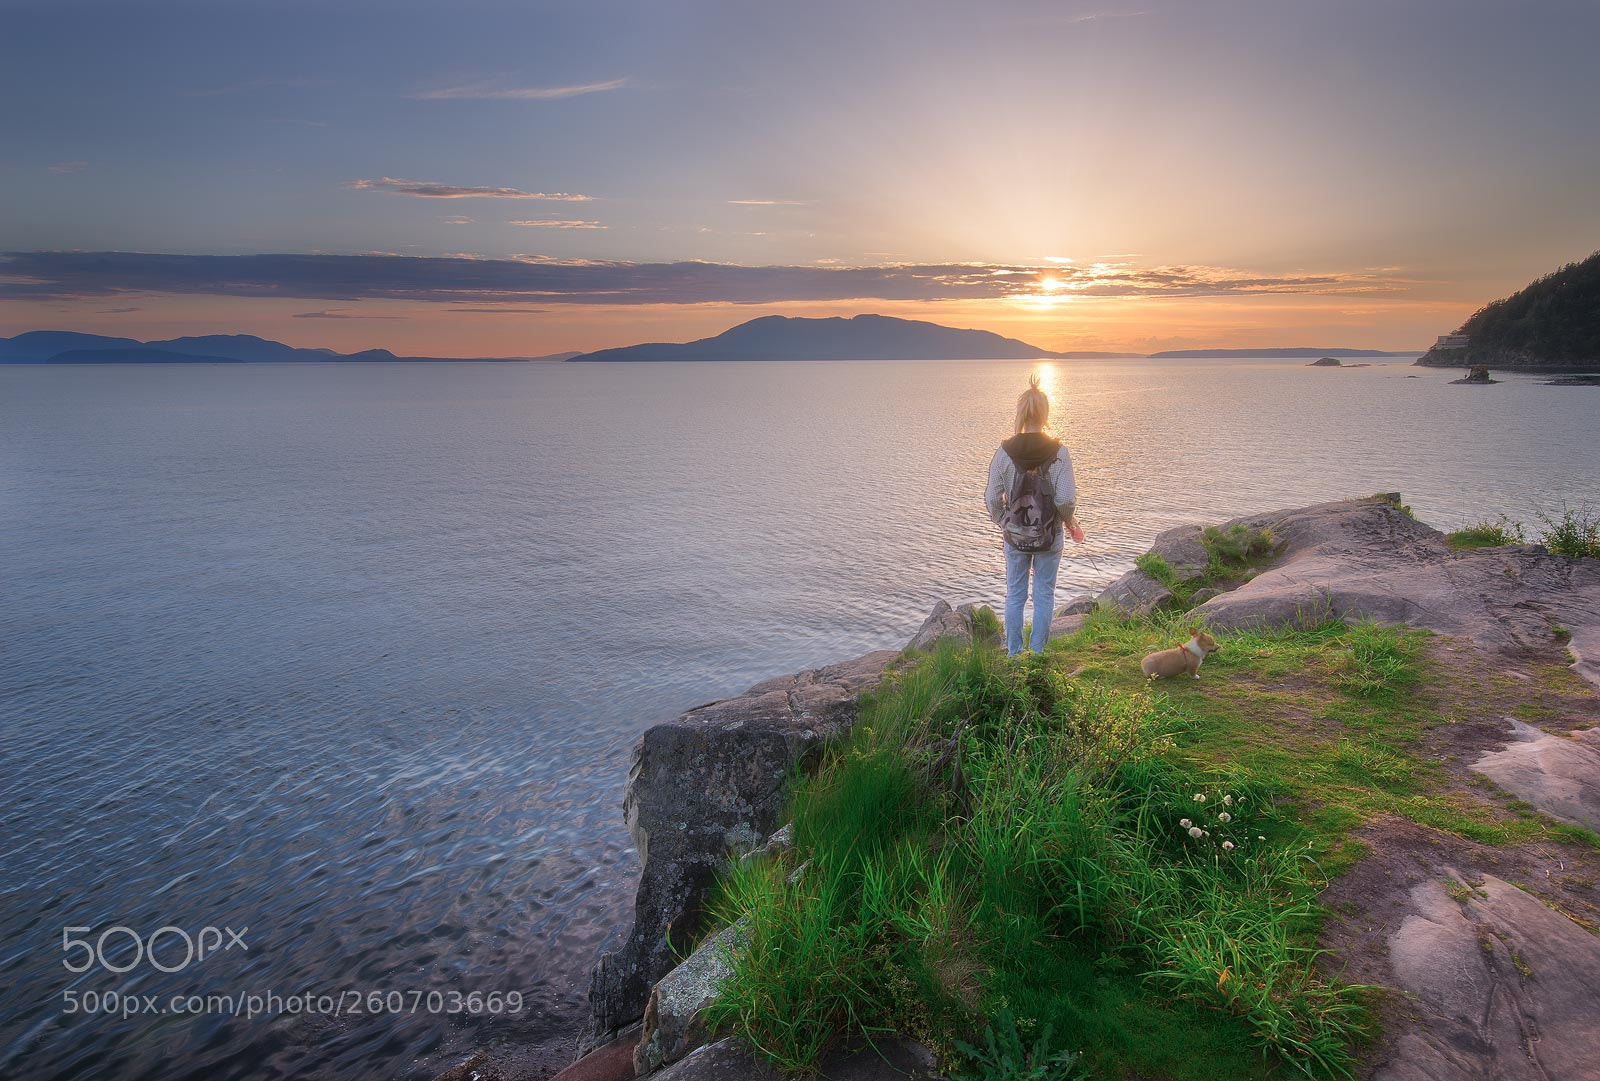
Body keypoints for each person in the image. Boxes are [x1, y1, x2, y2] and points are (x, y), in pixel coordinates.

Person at [984, 375, 1083, 656]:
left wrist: (1003, 520)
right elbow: (1065, 498)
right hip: (1050, 535)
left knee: (1015, 596)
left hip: (1014, 537)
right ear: (1046, 413)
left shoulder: (1004, 452)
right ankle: (1037, 654)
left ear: (1021, 413)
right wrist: (1068, 519)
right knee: (1044, 596)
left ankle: (1014, 655)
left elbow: (992, 497)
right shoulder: (1059, 452)